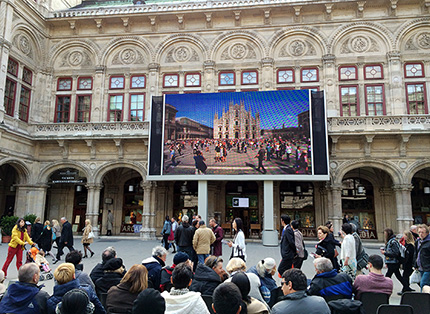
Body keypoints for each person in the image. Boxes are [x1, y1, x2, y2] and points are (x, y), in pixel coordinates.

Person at [399, 230, 415, 294]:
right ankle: (407, 288)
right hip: (407, 263)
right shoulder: (406, 244)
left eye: (405, 235)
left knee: (405, 276)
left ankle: (405, 289)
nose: (403, 236)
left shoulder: (410, 245)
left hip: (409, 263)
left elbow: (410, 255)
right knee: (406, 276)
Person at [416, 224, 430, 289]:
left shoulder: (428, 242)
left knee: (423, 284)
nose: (421, 234)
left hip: (428, 267)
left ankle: (424, 298)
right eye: (419, 232)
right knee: (426, 284)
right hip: (421, 267)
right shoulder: (418, 241)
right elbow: (416, 253)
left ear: (427, 233)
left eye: (422, 232)